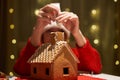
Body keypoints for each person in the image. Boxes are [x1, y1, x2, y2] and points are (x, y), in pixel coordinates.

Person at [14, 3, 102, 76]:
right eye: (49, 31)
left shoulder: (72, 54)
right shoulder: (39, 54)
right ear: (42, 35)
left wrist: (77, 33)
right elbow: (20, 70)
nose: (55, 35)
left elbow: (95, 67)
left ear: (66, 37)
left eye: (60, 31)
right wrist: (37, 30)